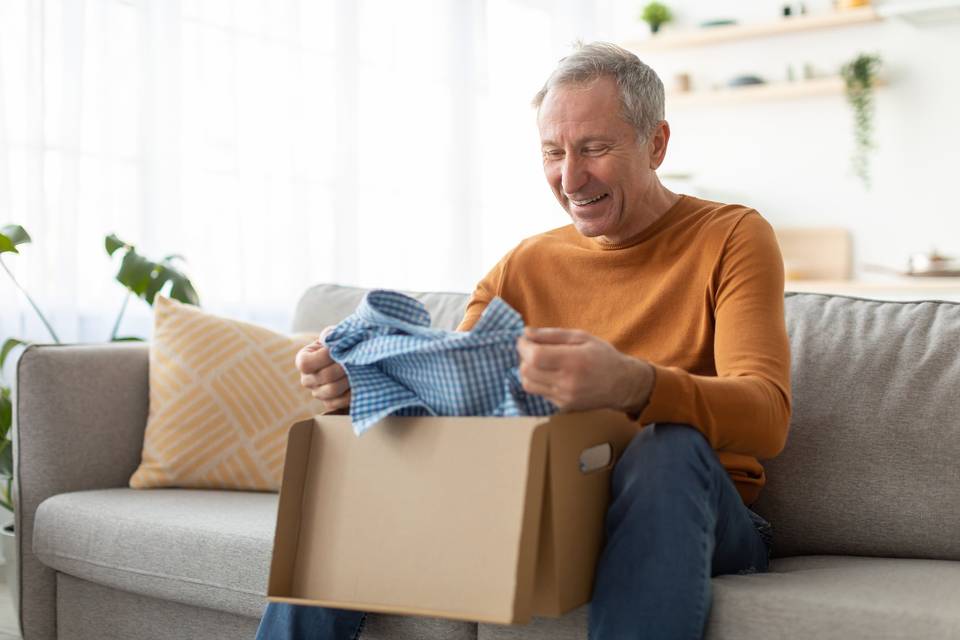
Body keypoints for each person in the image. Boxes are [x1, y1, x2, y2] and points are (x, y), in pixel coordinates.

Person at [257, 41, 790, 640]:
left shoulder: (732, 237)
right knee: (349, 496)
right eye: (553, 153)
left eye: (594, 149)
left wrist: (635, 384)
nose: (570, 177)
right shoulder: (523, 266)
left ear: (657, 144)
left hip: (700, 513)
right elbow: (451, 419)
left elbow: (767, 416)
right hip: (549, 509)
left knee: (666, 447)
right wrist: (364, 386)